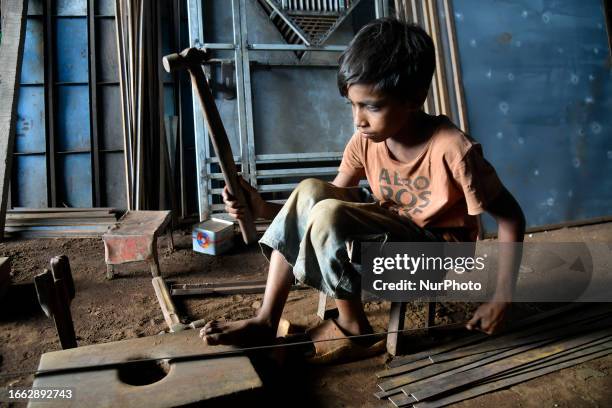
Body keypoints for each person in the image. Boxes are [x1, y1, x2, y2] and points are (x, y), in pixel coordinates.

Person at [200, 17, 526, 359]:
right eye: (353, 105)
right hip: (390, 234)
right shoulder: (365, 140)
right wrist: (261, 209)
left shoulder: (454, 151)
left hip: (437, 257)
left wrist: (501, 298)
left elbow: (511, 218)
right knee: (313, 190)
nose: (358, 119)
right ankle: (267, 318)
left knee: (328, 212)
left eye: (372, 106)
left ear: (414, 99)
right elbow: (323, 201)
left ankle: (353, 325)